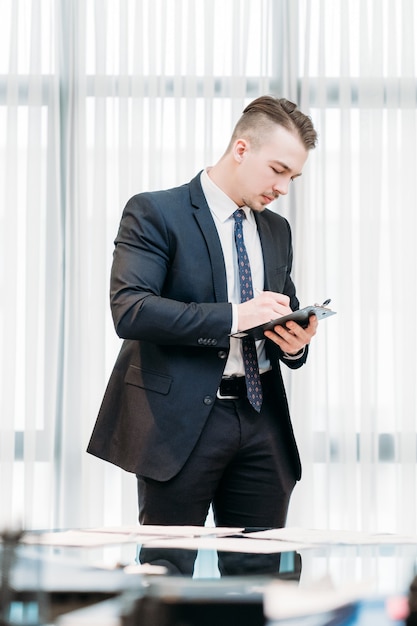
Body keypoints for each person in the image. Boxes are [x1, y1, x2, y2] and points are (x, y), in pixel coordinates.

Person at [87, 95, 319, 576]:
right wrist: (234, 316)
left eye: (292, 178)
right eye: (277, 170)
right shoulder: (156, 212)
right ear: (241, 149)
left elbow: (275, 314)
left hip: (261, 420)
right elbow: (131, 310)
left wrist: (295, 343)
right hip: (178, 425)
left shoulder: (277, 230)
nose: (283, 187)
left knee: (265, 576)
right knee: (168, 573)